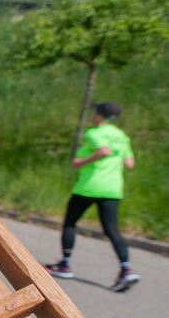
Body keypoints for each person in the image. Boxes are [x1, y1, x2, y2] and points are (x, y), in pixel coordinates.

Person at [44, 102, 139, 292]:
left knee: (70, 222)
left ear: (100, 115)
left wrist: (81, 162)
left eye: (95, 112)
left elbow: (103, 151)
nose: (93, 115)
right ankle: (126, 269)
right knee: (112, 229)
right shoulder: (122, 136)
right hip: (113, 189)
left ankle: (65, 264)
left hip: (89, 187)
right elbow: (130, 163)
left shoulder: (93, 133)